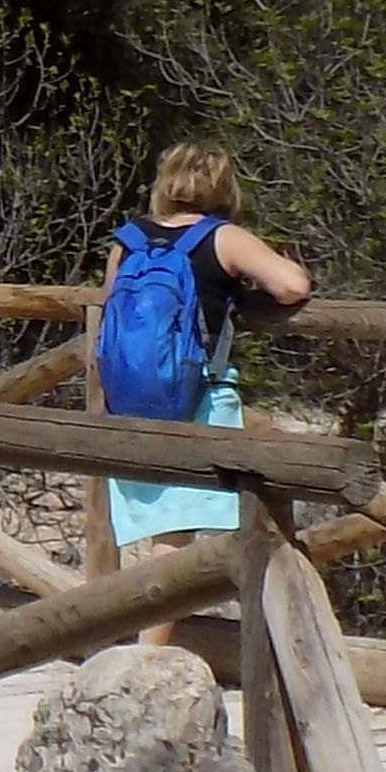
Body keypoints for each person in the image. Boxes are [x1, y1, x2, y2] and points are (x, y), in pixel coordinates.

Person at [91, 141, 312, 658]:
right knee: (180, 541)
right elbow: (292, 285)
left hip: (130, 400)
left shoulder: (129, 241)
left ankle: (130, 645)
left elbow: (108, 318)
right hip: (197, 401)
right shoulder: (222, 238)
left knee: (158, 537)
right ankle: (148, 662)